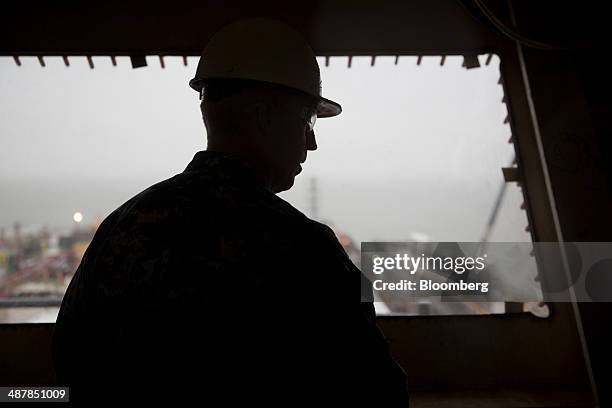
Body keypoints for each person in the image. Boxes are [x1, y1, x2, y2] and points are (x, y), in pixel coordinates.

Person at [53, 18, 408, 405]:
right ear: (263, 115)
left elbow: (68, 363)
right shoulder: (305, 251)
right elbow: (379, 394)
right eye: (308, 121)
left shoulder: (120, 228)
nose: (313, 142)